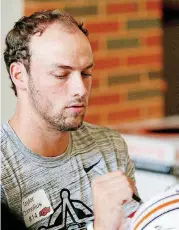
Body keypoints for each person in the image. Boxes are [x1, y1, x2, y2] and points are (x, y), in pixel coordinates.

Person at [1, 9, 140, 230]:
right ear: (19, 76)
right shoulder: (3, 169)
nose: (81, 89)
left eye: (86, 73)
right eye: (61, 75)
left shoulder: (109, 148)